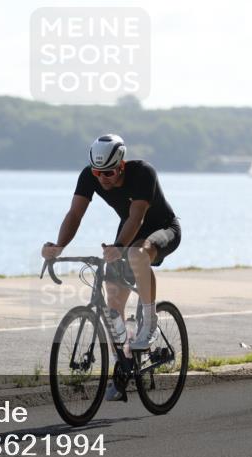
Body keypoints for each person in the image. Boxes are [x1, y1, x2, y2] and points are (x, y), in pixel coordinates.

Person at [41, 134, 181, 352]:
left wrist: (119, 247)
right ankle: (122, 361)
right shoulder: (89, 176)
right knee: (113, 303)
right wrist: (59, 246)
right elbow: (75, 213)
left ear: (121, 165)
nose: (102, 178)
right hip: (128, 232)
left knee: (136, 253)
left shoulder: (143, 172)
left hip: (162, 228)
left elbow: (137, 218)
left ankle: (150, 323)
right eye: (97, 172)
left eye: (108, 173)